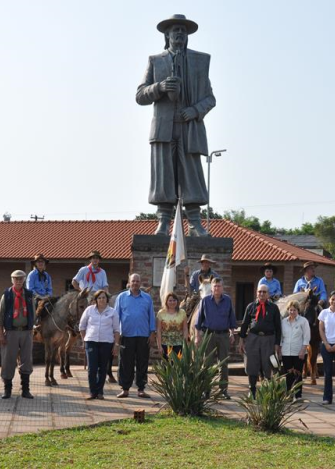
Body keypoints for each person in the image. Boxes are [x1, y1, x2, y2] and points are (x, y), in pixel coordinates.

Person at [137, 14, 216, 236]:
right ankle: (163, 222)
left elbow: (210, 98)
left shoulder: (200, 62)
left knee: (191, 174)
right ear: (167, 35)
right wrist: (159, 87)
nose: (179, 34)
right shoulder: (156, 60)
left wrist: (194, 111)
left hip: (189, 127)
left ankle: (194, 222)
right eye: (175, 30)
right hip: (164, 127)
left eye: (183, 30)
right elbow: (140, 95)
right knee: (164, 175)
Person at [115, 273, 156, 398]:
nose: (135, 283)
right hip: (126, 335)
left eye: (137, 281)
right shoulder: (121, 297)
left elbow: (152, 316)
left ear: (140, 282)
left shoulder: (147, 298)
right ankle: (125, 388)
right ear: (129, 282)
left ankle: (141, 388)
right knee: (125, 362)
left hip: (143, 335)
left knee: (142, 362)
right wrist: (116, 335)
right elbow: (116, 317)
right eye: (133, 281)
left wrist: (152, 333)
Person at [0, 270, 36, 399]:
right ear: (12, 280)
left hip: (25, 331)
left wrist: (31, 329)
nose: (18, 281)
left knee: (27, 360)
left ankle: (25, 389)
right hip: (11, 331)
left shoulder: (29, 295)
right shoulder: (7, 295)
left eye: (21, 278)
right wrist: (0, 334)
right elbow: (0, 316)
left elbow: (33, 313)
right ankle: (7, 389)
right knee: (8, 359)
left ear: (24, 280)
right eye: (16, 279)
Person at [195, 277, 236, 399]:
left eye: (219, 286)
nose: (217, 288)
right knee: (206, 363)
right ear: (211, 288)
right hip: (209, 335)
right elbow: (199, 320)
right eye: (215, 286)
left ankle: (223, 390)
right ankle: (206, 390)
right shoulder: (205, 301)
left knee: (223, 363)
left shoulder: (228, 301)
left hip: (223, 335)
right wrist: (197, 337)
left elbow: (231, 319)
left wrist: (232, 333)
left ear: (222, 288)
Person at [239, 284, 282, 398]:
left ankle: (267, 391)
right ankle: (252, 390)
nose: (261, 294)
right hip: (253, 338)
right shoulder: (251, 306)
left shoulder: (273, 308)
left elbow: (278, 327)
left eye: (264, 292)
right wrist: (241, 340)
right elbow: (244, 324)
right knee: (251, 364)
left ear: (268, 294)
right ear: (256, 293)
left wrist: (277, 344)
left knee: (268, 364)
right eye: (259, 292)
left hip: (269, 339)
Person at [79, 290, 121, 400]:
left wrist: (116, 344)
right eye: (99, 298)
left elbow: (117, 330)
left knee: (102, 368)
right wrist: (84, 340)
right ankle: (93, 392)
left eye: (104, 298)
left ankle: (100, 392)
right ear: (96, 300)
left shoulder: (113, 312)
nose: (102, 300)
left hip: (106, 343)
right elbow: (82, 326)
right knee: (92, 368)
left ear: (107, 299)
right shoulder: (89, 310)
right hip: (91, 342)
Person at [279, 300, 310, 401]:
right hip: (286, 351)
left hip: (299, 352)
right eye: (290, 310)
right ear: (288, 310)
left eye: (294, 310)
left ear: (298, 310)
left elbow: (306, 337)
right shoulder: (283, 322)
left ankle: (298, 395)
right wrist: (279, 349)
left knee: (298, 374)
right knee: (288, 375)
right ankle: (289, 395)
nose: (292, 312)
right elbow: (281, 337)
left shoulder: (303, 321)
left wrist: (303, 350)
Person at [156, 292, 188, 360]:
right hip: (165, 344)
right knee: (166, 367)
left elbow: (185, 329)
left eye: (174, 300)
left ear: (177, 301)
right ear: (166, 302)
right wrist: (159, 346)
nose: (172, 302)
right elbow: (158, 330)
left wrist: (185, 344)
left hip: (179, 344)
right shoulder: (161, 313)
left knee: (178, 366)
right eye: (170, 300)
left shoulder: (182, 313)